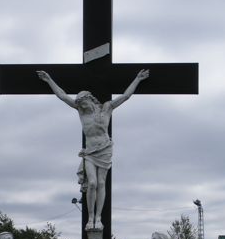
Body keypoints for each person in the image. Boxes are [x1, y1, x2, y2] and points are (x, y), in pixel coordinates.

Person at [37, 69, 149, 230]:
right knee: (92, 183)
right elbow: (62, 96)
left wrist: (138, 79)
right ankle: (90, 218)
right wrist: (49, 80)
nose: (83, 106)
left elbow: (125, 96)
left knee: (101, 182)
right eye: (80, 105)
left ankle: (98, 218)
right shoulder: (81, 113)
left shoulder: (107, 108)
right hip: (89, 152)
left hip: (104, 149)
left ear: (90, 99)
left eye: (84, 103)